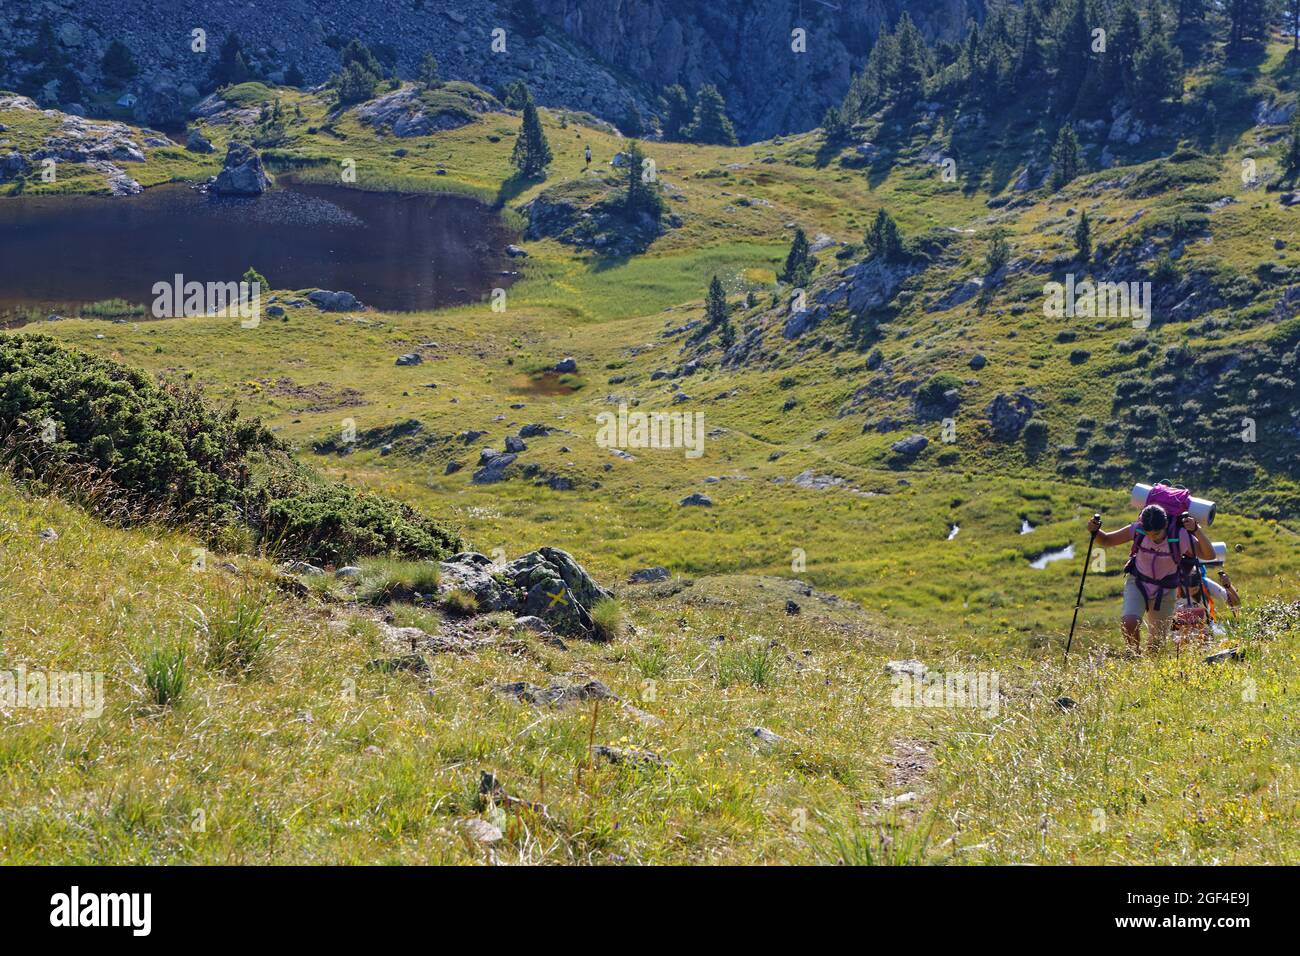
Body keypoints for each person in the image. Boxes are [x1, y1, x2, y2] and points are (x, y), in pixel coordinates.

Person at [1087, 504, 1216, 655]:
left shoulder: (1179, 535)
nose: (1152, 537)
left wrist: (1196, 530)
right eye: (1148, 533)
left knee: (1156, 646)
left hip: (1166, 589)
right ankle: (1133, 656)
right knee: (1129, 622)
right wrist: (1095, 531)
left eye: (1156, 534)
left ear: (1166, 524)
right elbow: (1107, 540)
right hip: (1138, 582)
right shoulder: (1137, 530)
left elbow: (1209, 555)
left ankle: (1149, 665)